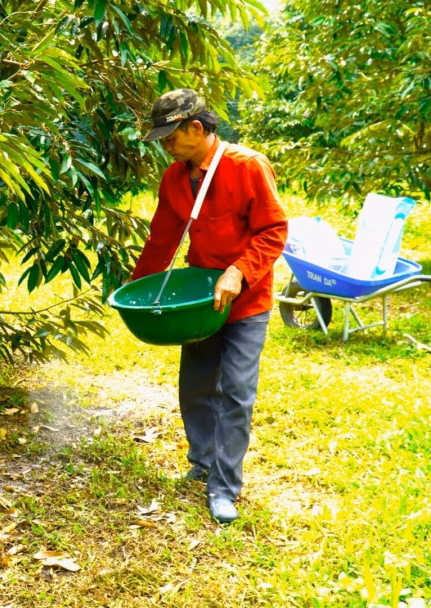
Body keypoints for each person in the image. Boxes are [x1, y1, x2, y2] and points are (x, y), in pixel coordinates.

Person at [130, 89, 288, 524]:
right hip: (199, 300)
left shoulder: (247, 166)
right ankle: (202, 461)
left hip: (245, 299)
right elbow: (162, 237)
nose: (165, 146)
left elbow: (273, 230)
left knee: (236, 391)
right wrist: (137, 290)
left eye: (170, 137)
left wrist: (239, 271)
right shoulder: (175, 178)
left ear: (196, 129)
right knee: (197, 385)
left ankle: (224, 486)